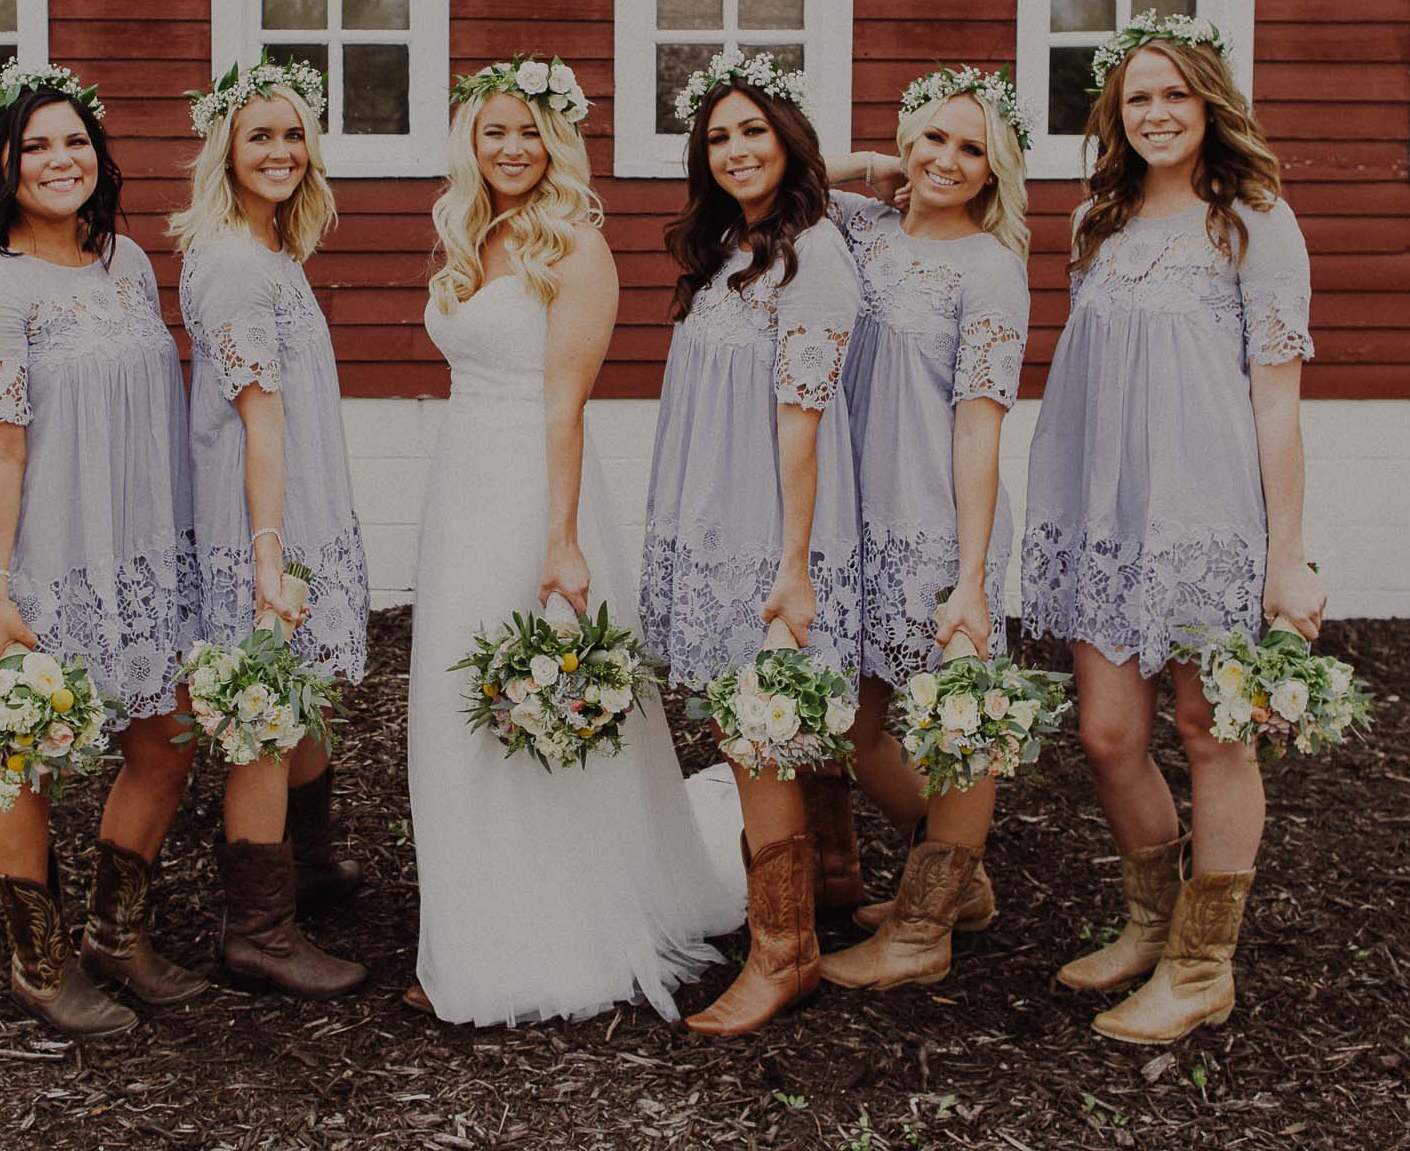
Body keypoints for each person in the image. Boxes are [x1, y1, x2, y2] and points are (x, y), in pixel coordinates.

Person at [403, 58, 741, 1026]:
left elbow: (566, 402)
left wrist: (560, 541)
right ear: (470, 140)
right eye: (493, 130)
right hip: (462, 488)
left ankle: (557, 927)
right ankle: (469, 922)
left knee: (536, 690)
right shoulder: (473, 233)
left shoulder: (578, 245)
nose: (511, 148)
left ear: (559, 140)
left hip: (536, 491)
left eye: (529, 131)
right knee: (455, 706)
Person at [1019, 14, 1328, 1044]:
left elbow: (1275, 401)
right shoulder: (1094, 222)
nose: (1156, 113)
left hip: (1206, 515)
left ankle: (1203, 965)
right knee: (1110, 735)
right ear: (1116, 112)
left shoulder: (1254, 219)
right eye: (1138, 97)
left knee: (1210, 729)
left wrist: (1289, 559)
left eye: (1175, 96)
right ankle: (1151, 921)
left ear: (1209, 105)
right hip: (1104, 508)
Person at [0, 62, 204, 1036]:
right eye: (35, 143)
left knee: (166, 742)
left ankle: (115, 932)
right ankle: (41, 966)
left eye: (75, 141)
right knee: (24, 762)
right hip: (40, 562)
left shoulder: (125, 262)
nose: (60, 159)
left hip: (135, 555)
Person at [639, 50, 863, 1037]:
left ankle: (786, 954)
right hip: (713, 515)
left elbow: (801, 420)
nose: (735, 149)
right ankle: (828, 890)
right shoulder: (732, 248)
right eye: (718, 135)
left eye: (754, 130)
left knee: (757, 734)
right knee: (758, 729)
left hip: (772, 530)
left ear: (788, 141)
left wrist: (793, 563)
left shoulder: (814, 253)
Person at [816, 67, 1033, 988]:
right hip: (846, 513)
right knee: (858, 727)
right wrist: (874, 161)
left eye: (971, 148)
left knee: (951, 726)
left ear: (996, 172)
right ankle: (956, 882)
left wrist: (972, 579)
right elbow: (781, 174)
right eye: (933, 138)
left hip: (935, 526)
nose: (947, 159)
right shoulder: (861, 229)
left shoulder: (990, 269)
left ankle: (923, 929)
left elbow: (981, 423)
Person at [171, 56, 368, 999]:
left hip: (294, 507)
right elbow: (256, 416)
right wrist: (268, 554)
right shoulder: (237, 265)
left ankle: (310, 867)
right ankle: (257, 927)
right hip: (260, 519)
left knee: (305, 694)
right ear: (225, 150)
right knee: (264, 712)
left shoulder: (268, 249)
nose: (282, 151)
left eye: (294, 135)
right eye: (261, 136)